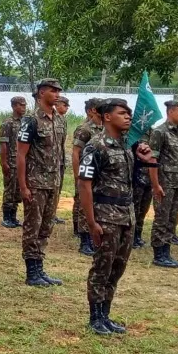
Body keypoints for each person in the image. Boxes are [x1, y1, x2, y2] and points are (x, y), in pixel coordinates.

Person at [77, 98, 149, 335]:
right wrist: (91, 222)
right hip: (106, 216)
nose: (128, 117)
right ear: (107, 117)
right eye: (122, 113)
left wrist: (145, 159)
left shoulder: (126, 145)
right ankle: (95, 317)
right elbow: (84, 184)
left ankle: (105, 314)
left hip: (126, 216)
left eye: (129, 113)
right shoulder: (96, 146)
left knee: (117, 268)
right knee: (102, 268)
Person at [16, 79, 66, 287]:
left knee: (46, 227)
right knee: (32, 227)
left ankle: (39, 267)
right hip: (35, 183)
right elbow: (21, 155)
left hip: (53, 183)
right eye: (53, 91)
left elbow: (60, 153)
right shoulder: (31, 120)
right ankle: (31, 272)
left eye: (58, 91)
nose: (57, 94)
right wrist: (23, 186)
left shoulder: (59, 120)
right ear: (41, 93)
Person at [147, 101, 178, 268]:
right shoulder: (160, 132)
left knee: (173, 218)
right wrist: (156, 185)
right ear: (171, 112)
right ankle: (159, 254)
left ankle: (166, 251)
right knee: (162, 218)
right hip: (165, 183)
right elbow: (152, 160)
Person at [71, 98, 104, 256]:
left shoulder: (105, 128)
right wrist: (78, 176)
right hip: (86, 173)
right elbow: (76, 153)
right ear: (93, 110)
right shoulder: (85, 129)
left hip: (100, 174)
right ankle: (85, 241)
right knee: (84, 205)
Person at [0, 96, 27, 228]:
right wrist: (4, 162)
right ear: (14, 106)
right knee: (9, 190)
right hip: (11, 161)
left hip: (21, 162)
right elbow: (3, 144)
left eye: (25, 105)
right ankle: (6, 217)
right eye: (21, 105)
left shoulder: (25, 122)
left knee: (17, 191)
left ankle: (13, 216)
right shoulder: (8, 123)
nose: (24, 108)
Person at [52, 96, 70, 225]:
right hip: (51, 160)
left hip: (60, 159)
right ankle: (49, 214)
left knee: (58, 188)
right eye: (65, 105)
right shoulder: (52, 118)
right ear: (57, 105)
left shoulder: (63, 120)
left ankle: (53, 213)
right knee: (52, 188)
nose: (67, 108)